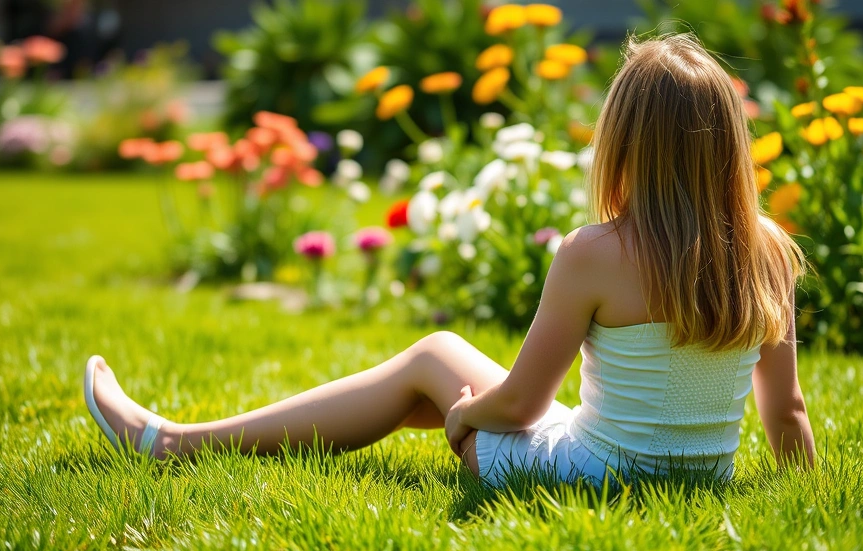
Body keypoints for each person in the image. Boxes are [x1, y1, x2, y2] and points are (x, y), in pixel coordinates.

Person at [83, 33, 815, 487]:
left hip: (584, 478)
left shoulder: (596, 253)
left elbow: (523, 405)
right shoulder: (770, 251)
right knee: (416, 387)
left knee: (435, 357)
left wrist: (467, 414)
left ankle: (172, 442)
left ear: (622, 146)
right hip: (692, 481)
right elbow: (785, 412)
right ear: (727, 148)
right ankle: (176, 441)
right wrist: (804, 500)